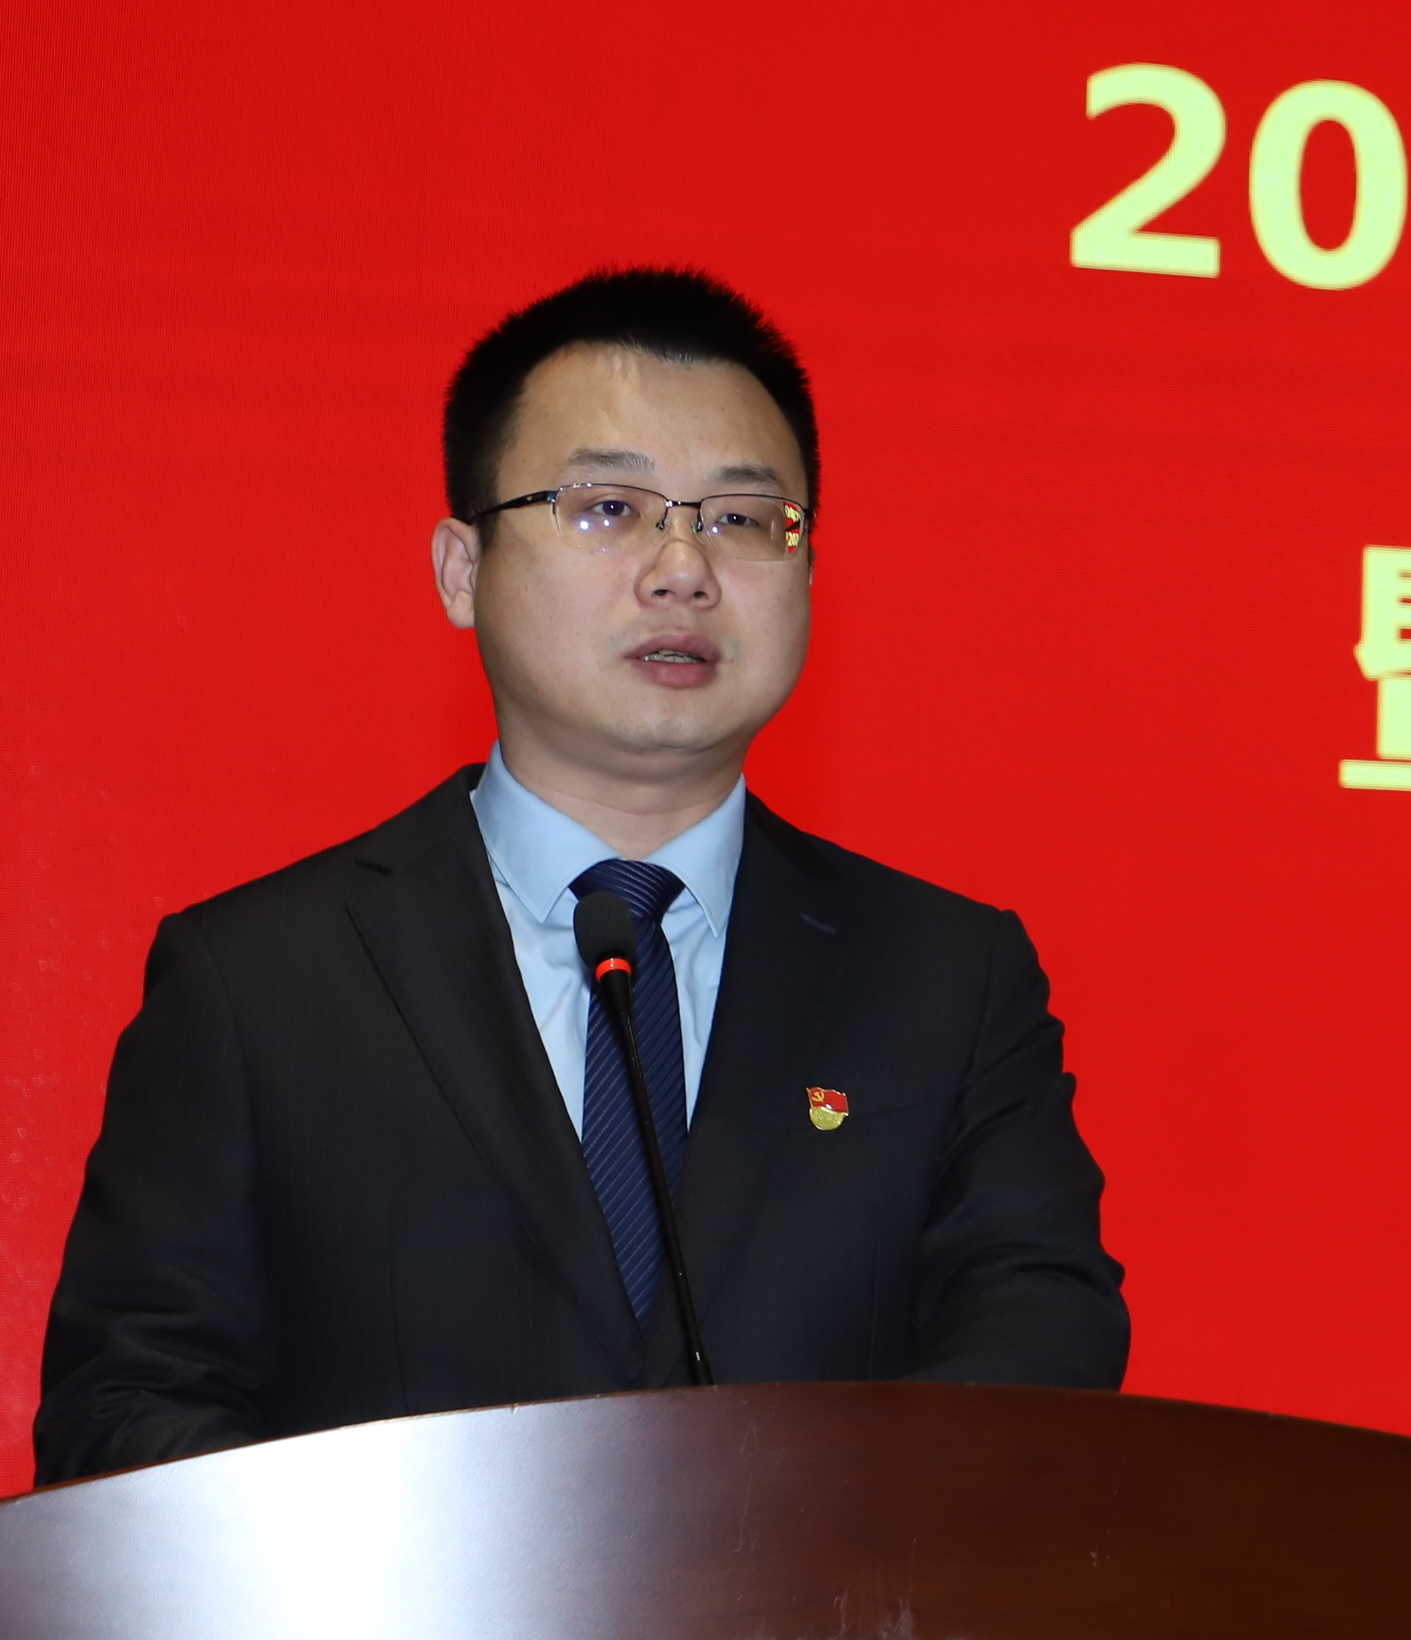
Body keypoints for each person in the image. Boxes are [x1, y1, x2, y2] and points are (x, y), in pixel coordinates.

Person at [33, 269, 1125, 1481]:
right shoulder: (261, 981)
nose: (683, 567)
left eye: (743, 519)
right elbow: (127, 1407)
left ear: (810, 571)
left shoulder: (945, 979)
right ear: (462, 567)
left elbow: (1040, 1346)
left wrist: (788, 1548)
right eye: (609, 507)